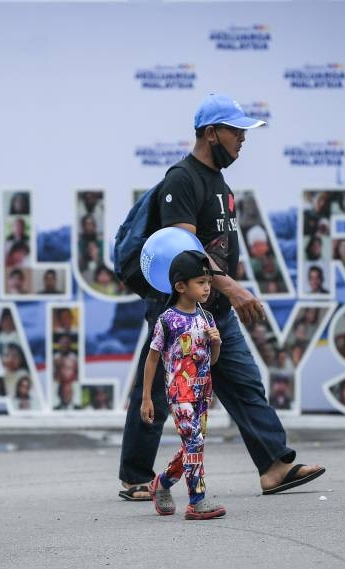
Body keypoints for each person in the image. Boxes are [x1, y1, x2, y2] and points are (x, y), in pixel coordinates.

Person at [119, 93, 326, 501]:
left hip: (213, 308)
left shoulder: (219, 182)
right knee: (160, 391)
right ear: (211, 133)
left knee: (245, 384)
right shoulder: (182, 178)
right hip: (177, 307)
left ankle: (274, 466)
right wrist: (231, 287)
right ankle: (135, 477)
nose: (242, 140)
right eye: (236, 131)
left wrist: (224, 292)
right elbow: (185, 253)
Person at [140, 250, 225, 519]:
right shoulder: (167, 321)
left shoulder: (207, 318)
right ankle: (196, 500)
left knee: (193, 444)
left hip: (203, 391)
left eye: (209, 282)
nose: (207, 288)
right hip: (180, 392)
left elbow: (212, 361)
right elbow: (152, 359)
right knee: (195, 442)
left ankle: (161, 484)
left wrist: (216, 343)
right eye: (201, 282)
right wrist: (146, 398)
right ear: (180, 286)